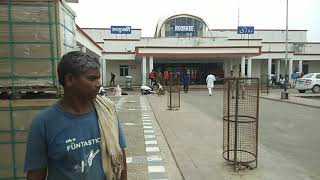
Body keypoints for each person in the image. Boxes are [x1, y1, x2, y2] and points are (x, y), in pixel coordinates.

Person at [24, 51, 127, 180]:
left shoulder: (107, 111)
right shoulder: (44, 123)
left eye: (98, 78)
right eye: (92, 78)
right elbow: (36, 174)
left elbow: (120, 157)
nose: (99, 83)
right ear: (69, 80)